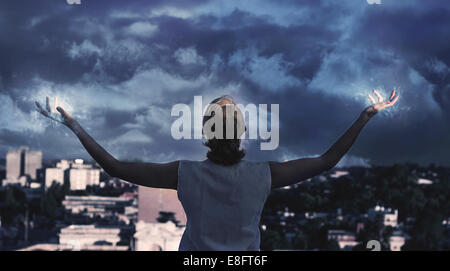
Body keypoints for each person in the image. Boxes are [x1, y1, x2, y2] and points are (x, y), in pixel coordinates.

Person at [35, 89, 399, 251]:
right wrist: (365, 116)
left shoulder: (184, 173)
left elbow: (112, 166)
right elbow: (327, 160)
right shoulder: (264, 175)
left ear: (206, 133)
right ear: (241, 132)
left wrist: (72, 124)